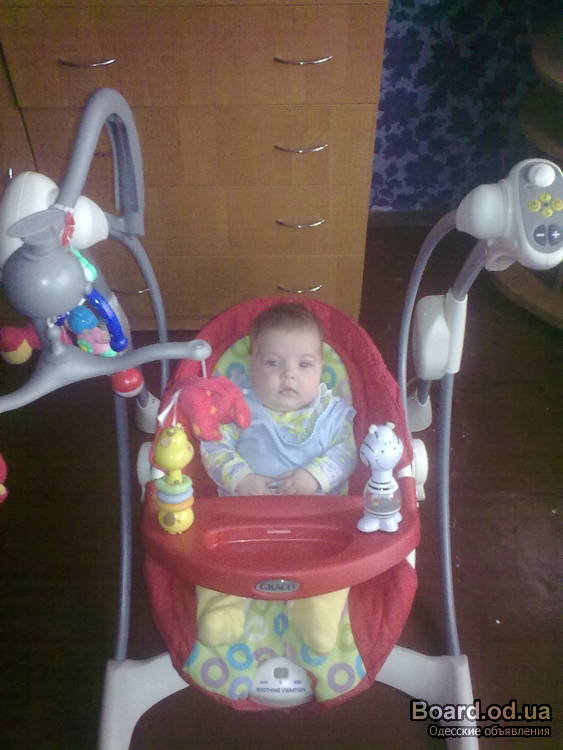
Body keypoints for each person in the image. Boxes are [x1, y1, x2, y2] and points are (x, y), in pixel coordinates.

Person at [198, 303, 357, 654]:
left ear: (321, 368)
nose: (289, 376)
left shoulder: (331, 414)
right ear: (252, 365)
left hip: (315, 523)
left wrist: (315, 476)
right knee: (211, 559)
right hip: (243, 520)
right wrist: (241, 478)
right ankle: (222, 611)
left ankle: (314, 612)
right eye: (273, 363)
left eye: (304, 365)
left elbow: (346, 453)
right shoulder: (237, 407)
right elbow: (214, 447)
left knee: (337, 564)